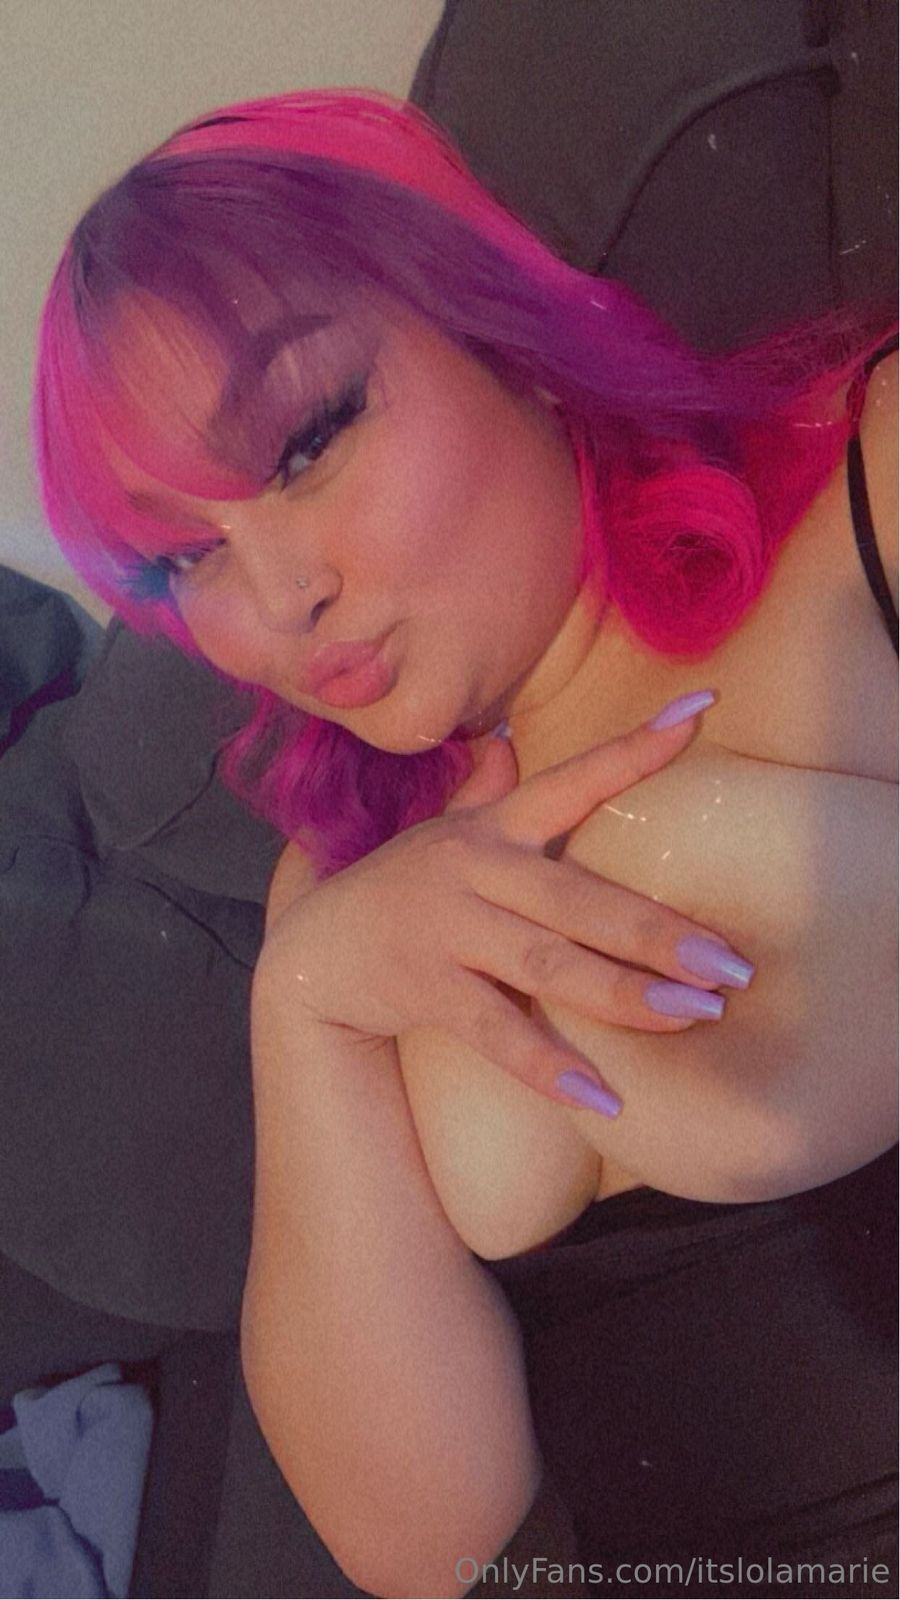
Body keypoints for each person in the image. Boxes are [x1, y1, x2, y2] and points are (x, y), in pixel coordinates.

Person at [32, 90, 897, 1599]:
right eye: (184, 561)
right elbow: (427, 1549)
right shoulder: (338, 885)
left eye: (306, 442)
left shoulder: (875, 490)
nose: (278, 602)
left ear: (504, 331)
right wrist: (304, 1009)